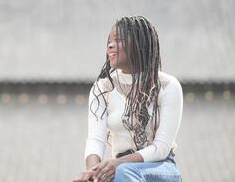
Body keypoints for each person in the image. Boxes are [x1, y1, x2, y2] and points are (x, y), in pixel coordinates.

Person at [73, 15, 183, 182]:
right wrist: (93, 173)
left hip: (160, 167)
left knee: (123, 172)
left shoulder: (168, 86)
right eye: (110, 40)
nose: (110, 45)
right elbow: (95, 139)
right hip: (118, 169)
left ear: (140, 44)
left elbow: (161, 148)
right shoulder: (102, 89)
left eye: (119, 40)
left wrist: (118, 164)